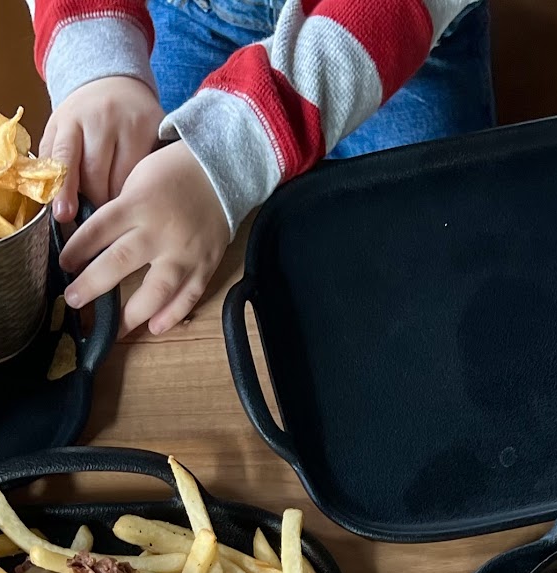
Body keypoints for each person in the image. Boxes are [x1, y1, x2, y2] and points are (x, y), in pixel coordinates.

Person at [29, 0, 494, 335]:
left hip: (408, 36)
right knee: (151, 259)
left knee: (445, 296)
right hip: (193, 15)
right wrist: (94, 58)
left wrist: (223, 157)